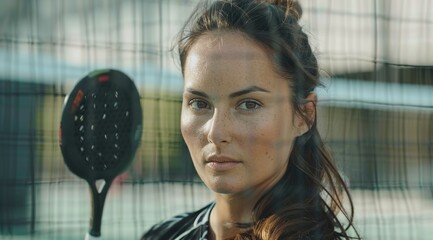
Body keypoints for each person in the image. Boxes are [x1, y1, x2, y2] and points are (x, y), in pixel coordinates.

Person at [142, 0, 359, 239]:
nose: (215, 132)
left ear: (304, 116)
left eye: (248, 104)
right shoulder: (162, 235)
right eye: (199, 103)